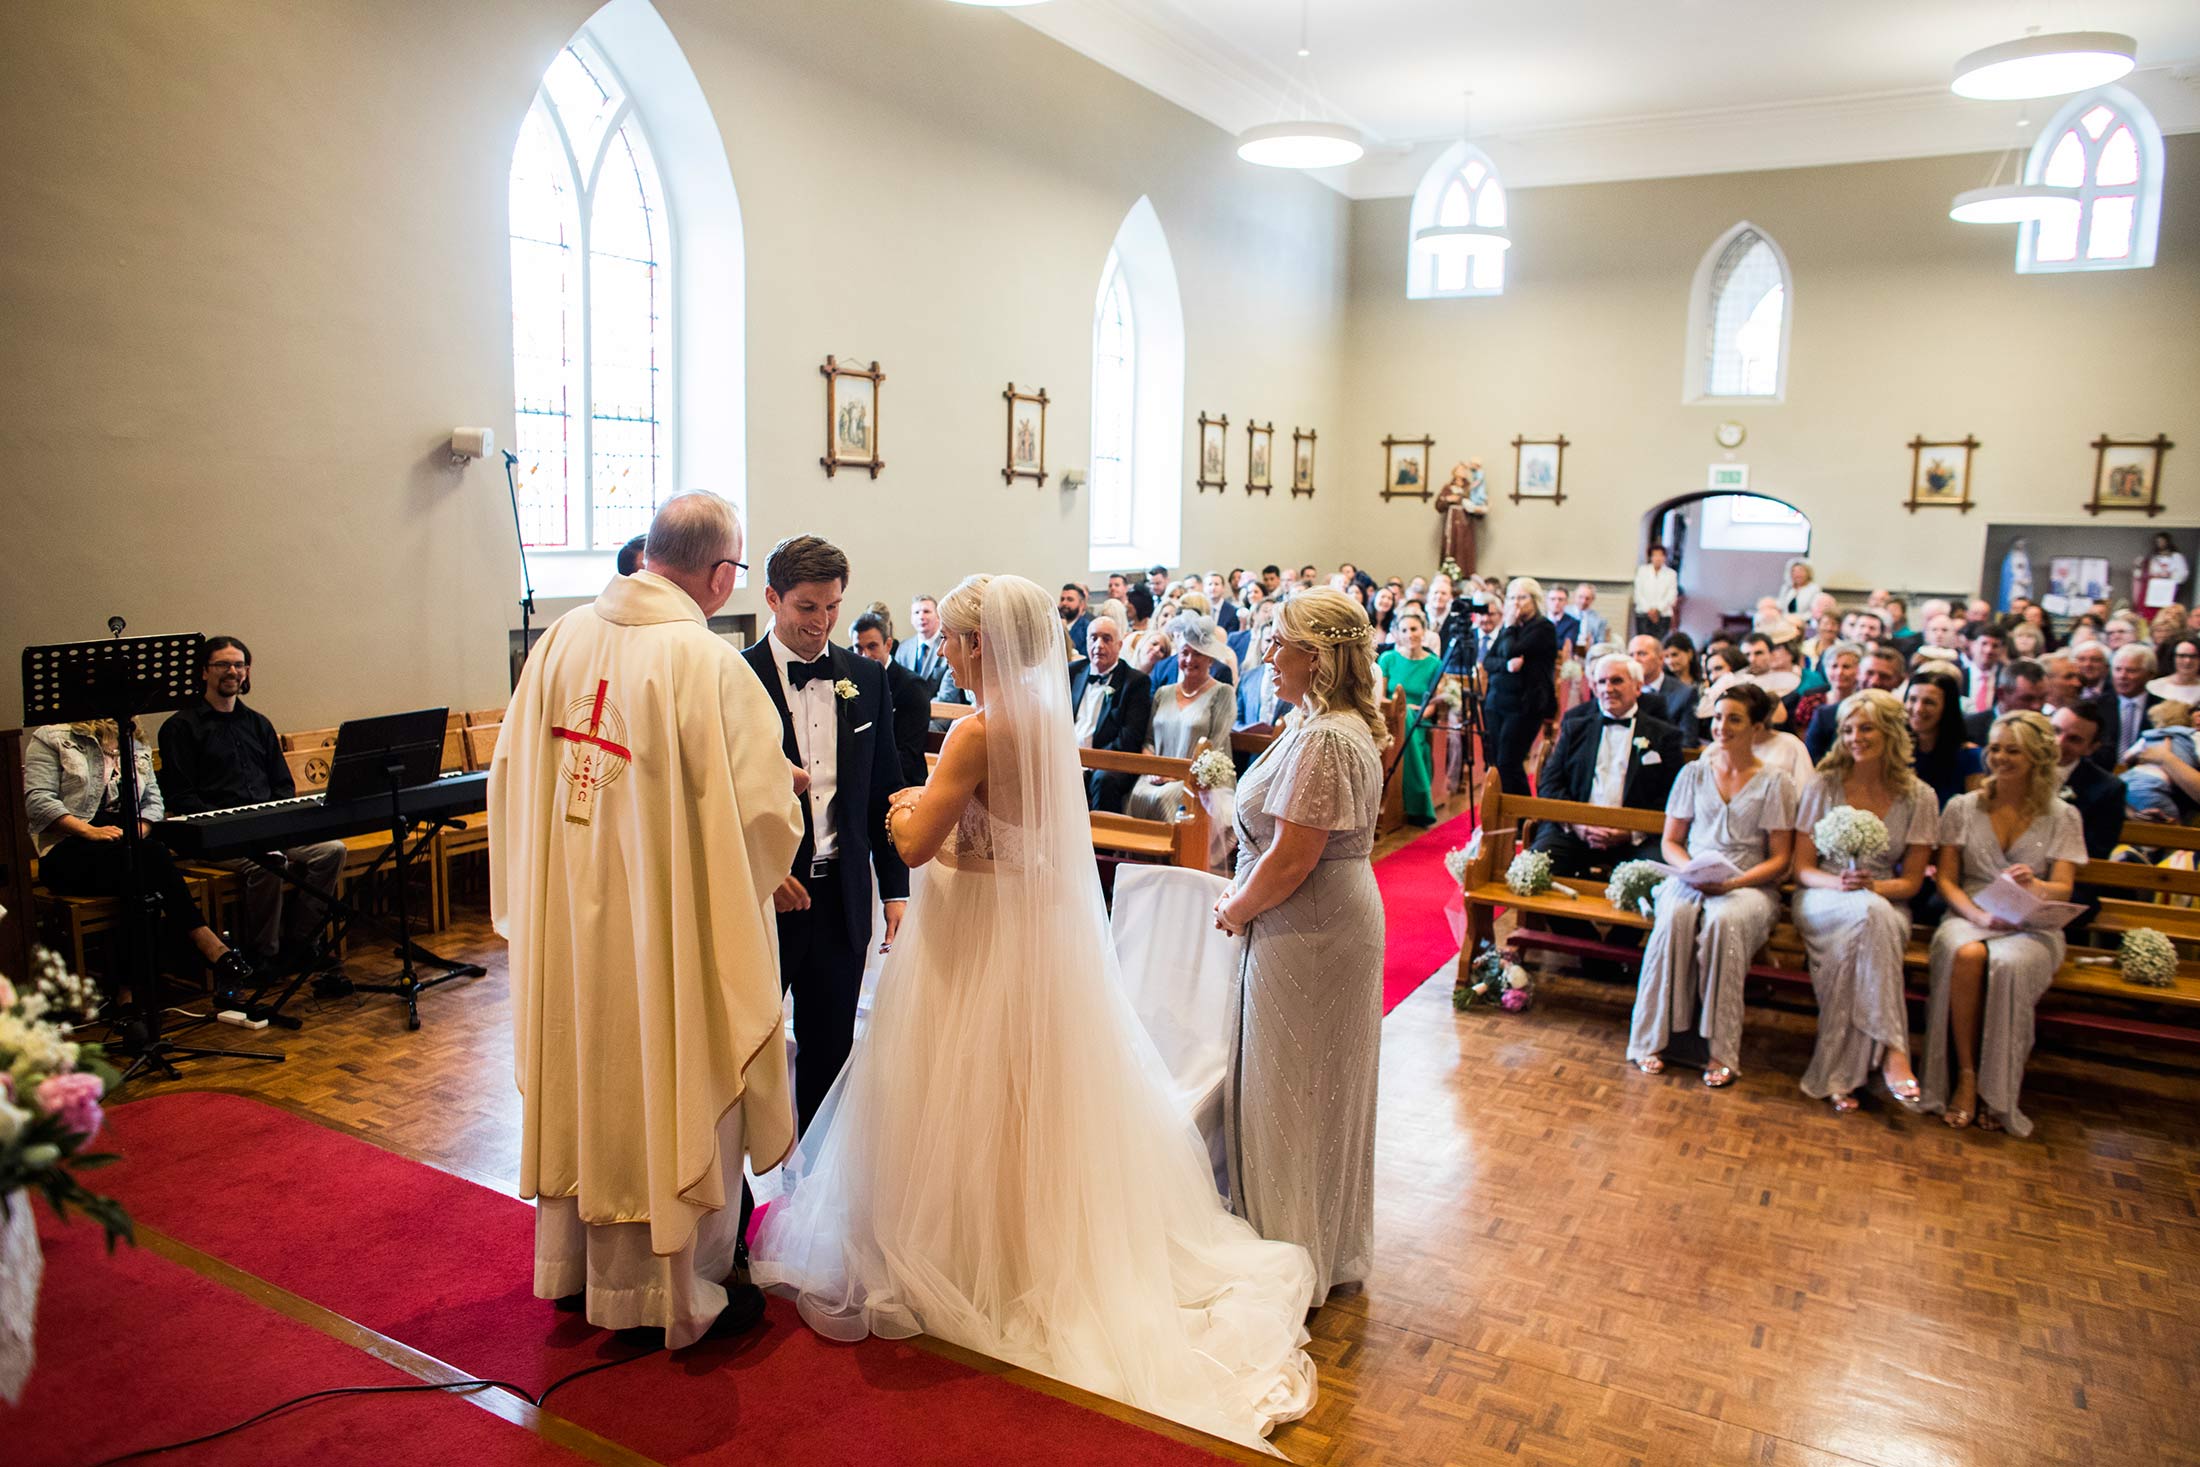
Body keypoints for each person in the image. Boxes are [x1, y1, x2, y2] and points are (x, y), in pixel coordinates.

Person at [751, 574, 1317, 1449]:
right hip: (1029, 926)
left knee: (955, 1084)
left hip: (972, 932)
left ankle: (969, 1258)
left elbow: (916, 841)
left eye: (952, 639)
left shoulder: (977, 731)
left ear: (981, 644)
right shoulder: (1048, 721)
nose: (940, 650)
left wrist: (903, 803)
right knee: (1022, 1087)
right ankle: (1022, 1248)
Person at [490, 490, 801, 1348]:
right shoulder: (708, 664)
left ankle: (579, 1270)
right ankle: (678, 1287)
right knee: (675, 1075)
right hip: (671, 936)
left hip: (575, 931)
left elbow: (510, 776)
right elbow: (764, 818)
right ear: (718, 572)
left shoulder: (557, 642)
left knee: (590, 1078)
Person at [1213, 588, 1387, 1308]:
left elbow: (1292, 857)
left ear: (1316, 657)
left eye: (1276, 643)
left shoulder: (1324, 738)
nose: (1264, 655)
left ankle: (1294, 1254)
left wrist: (1235, 905)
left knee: (1297, 1082)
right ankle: (1316, 1240)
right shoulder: (1321, 724)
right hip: (1316, 916)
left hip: (1310, 923)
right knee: (1310, 1082)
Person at [742, 535, 911, 1133]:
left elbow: (883, 789)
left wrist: (895, 887)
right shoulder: (735, 678)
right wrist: (759, 867)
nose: (822, 622)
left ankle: (812, 1193)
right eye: (807, 608)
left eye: (833, 606)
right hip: (762, 899)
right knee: (746, 1052)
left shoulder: (864, 677)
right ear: (772, 597)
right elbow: (718, 797)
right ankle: (731, 1209)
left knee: (830, 1048)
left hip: (840, 896)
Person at [1921, 712, 2087, 1137]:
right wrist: (1976, 915)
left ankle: (2000, 1090)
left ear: (2036, 757)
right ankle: (1967, 1075)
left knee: (2009, 965)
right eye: (1995, 747)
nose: (2000, 757)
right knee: (1968, 951)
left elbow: (2064, 887)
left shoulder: (2062, 815)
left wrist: (2038, 885)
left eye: (2013, 750)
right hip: (1970, 912)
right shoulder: (1963, 806)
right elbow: (1946, 878)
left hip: (2031, 921)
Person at [1628, 683, 1795, 1088]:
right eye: (1718, 717)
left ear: (1756, 727)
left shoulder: (1776, 782)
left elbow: (1780, 858)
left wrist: (1735, 880)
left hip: (1749, 885)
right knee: (1674, 915)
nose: (1721, 726)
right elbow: (1671, 840)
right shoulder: (1694, 772)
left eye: (1734, 719)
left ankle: (1718, 1048)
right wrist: (1689, 871)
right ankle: (1655, 1038)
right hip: (1694, 876)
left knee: (1724, 923)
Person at [156, 636, 344, 972]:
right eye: (222, 665)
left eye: (239, 665)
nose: (232, 671)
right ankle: (263, 956)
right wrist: (225, 826)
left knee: (331, 850)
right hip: (218, 835)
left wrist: (280, 820)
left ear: (247, 671)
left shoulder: (258, 723)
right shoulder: (180, 727)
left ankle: (301, 943)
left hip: (267, 825)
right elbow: (182, 796)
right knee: (268, 863)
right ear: (203, 672)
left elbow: (282, 783)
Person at [1790, 691, 1938, 1113]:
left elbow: (1910, 882)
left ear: (1891, 731)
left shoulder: (1919, 796)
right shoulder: (1824, 783)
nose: (1856, 737)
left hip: (1887, 900)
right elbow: (1802, 868)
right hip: (1822, 897)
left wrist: (1872, 889)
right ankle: (1894, 1047)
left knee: (1867, 928)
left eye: (1867, 727)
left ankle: (1842, 1075)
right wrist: (1839, 885)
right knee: (1870, 919)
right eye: (1848, 729)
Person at [27, 717, 254, 992]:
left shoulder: (133, 740)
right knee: (150, 859)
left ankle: (132, 994)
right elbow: (38, 801)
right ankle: (204, 942)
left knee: (140, 880)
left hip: (126, 847)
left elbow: (154, 801)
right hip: (68, 850)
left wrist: (140, 828)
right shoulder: (51, 737)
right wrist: (88, 831)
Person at [1528, 654, 1683, 876]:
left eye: (1617, 681)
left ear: (1638, 687)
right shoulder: (1575, 728)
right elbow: (1551, 784)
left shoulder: (1664, 736)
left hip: (1636, 839)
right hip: (1575, 833)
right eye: (1602, 682)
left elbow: (1672, 797)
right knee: (1535, 869)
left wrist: (1630, 832)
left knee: (1656, 879)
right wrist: (1579, 825)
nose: (1608, 688)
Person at [1126, 615, 1236, 869]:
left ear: (1209, 658)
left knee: (1167, 797)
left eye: (1197, 654)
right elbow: (1150, 741)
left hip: (1201, 779)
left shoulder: (1222, 693)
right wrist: (1153, 768)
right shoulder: (1164, 693)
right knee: (1139, 794)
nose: (1189, 660)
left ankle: (1174, 869)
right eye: (1185, 653)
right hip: (1158, 775)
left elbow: (1215, 746)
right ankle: (1144, 871)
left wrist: (1176, 776)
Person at [1069, 614, 1153, 813]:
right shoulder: (1072, 672)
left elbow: (1130, 736)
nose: (1098, 645)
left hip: (1111, 760)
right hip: (1071, 756)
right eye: (1093, 638)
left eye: (1106, 639)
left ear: (1119, 645)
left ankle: (1103, 844)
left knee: (1103, 779)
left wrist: (1093, 761)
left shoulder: (1135, 682)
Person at [1485, 577, 1559, 796]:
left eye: (1522, 597)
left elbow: (1511, 650)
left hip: (1524, 705)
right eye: (1512, 597)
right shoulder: (1510, 629)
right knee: (1498, 763)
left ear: (1535, 600)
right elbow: (1489, 661)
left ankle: (1523, 819)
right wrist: (1506, 666)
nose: (1516, 603)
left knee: (1510, 762)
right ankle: (1505, 817)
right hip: (1497, 701)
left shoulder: (1543, 628)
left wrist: (1508, 628)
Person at [1377, 608, 1444, 826]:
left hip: (1418, 719)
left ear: (1423, 631)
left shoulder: (1434, 663)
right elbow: (1379, 697)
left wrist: (1413, 712)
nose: (1410, 634)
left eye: (1414, 629)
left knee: (1407, 720)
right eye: (1404, 630)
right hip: (1387, 718)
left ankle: (1416, 799)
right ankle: (1418, 798)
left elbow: (1432, 706)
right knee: (1401, 717)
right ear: (1396, 633)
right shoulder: (1388, 659)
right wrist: (1399, 710)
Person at [852, 609, 929, 789]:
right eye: (858, 648)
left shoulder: (911, 687)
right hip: (862, 777)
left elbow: (908, 755)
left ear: (888, 645)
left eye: (872, 646)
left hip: (901, 782)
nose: (865, 655)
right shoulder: (850, 681)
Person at [2051, 701, 2123, 859]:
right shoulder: (2017, 770)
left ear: (2091, 748)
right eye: (2055, 731)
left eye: (2074, 739)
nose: (2059, 742)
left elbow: (2095, 850)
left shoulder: (2107, 789)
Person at [1905, 668, 1981, 807]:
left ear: (1947, 707)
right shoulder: (1895, 752)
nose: (1918, 709)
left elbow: (1974, 812)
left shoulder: (1970, 757)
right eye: (1912, 699)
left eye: (1929, 702)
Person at [1963, 658, 2046, 745]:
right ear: (2001, 694)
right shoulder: (1968, 729)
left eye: (2042, 698)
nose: (2037, 706)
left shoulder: (2048, 731)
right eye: (2027, 699)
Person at [2104, 644, 2164, 757]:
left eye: (2131, 671)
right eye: (2117, 669)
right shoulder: (2096, 706)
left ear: (2150, 674)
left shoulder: (2163, 708)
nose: (2122, 676)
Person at [1235, 621, 1292, 732]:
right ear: (1260, 643)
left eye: (1278, 643)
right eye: (1268, 641)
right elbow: (1236, 718)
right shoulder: (1247, 677)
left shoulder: (1294, 678)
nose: (1271, 647)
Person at [1630, 633, 1694, 727]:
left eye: (1642, 654)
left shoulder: (1683, 694)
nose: (1635, 659)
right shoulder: (1622, 690)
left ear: (1660, 658)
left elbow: (1686, 739)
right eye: (1631, 655)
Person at [893, 594, 950, 698]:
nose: (921, 616)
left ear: (938, 617)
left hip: (942, 711)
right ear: (911, 619)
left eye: (926, 611)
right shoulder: (903, 648)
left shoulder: (948, 645)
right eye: (916, 613)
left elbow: (947, 696)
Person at [2137, 532, 2190, 619]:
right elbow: (2149, 572)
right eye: (2158, 542)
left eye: (2162, 541)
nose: (2161, 544)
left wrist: (2168, 576)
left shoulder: (2176, 556)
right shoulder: (2154, 557)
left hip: (2169, 588)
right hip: (2155, 588)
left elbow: (2182, 573)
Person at [1633, 544, 1679, 638]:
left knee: (1658, 643)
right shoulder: (1642, 571)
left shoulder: (1671, 574)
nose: (1658, 558)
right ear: (1650, 557)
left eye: (1661, 555)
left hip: (1663, 614)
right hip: (1644, 613)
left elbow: (1671, 595)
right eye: (1655, 555)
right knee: (1643, 641)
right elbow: (1638, 593)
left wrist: (1657, 609)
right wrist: (1649, 610)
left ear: (1664, 557)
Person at [2150, 634, 2200, 705]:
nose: (2187, 661)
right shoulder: (2154, 687)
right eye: (2182, 656)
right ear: (2172, 658)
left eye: (2193, 656)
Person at [1570, 583, 1609, 651]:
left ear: (1592, 599)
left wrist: (1592, 642)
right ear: (1574, 596)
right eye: (1580, 597)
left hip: (1589, 652)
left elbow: (1601, 644)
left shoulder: (1599, 620)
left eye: (1587, 598)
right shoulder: (1564, 613)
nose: (1583, 601)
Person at [1058, 582, 1090, 655]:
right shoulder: (1053, 626)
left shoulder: (1087, 629)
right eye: (1062, 599)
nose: (1064, 603)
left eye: (1070, 599)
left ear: (1081, 604)